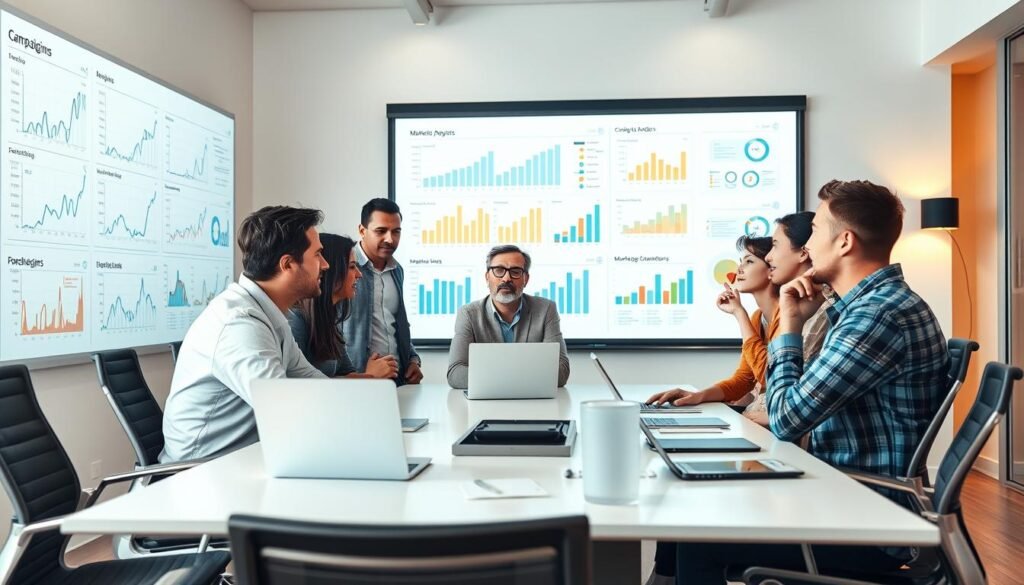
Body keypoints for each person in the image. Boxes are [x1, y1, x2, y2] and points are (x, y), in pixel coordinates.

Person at [673, 180, 949, 583]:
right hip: (841, 495)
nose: (806, 247)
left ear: (845, 242)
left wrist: (790, 325)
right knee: (697, 501)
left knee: (696, 532)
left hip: (863, 522)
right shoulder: (866, 307)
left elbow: (786, 418)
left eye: (816, 231)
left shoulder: (876, 316)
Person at [161, 206, 330, 463]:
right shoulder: (239, 325)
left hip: (241, 460)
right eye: (318, 254)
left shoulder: (269, 314)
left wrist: (356, 410)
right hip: (199, 474)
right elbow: (281, 410)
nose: (326, 264)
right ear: (287, 264)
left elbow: (311, 382)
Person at [646, 236, 779, 410]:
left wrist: (739, 314)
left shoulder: (787, 315)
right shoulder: (757, 318)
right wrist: (697, 396)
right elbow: (743, 380)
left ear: (772, 268)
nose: (739, 269)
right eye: (740, 261)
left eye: (749, 261)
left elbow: (769, 376)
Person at [447, 244, 569, 389]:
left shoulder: (546, 310)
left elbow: (561, 372)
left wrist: (493, 377)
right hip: (486, 406)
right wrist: (524, 377)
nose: (506, 278)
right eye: (499, 270)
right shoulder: (468, 314)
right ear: (487, 277)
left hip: (532, 405)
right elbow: (455, 374)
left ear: (526, 279)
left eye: (515, 271)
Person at [287, 233, 399, 379]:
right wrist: (370, 376)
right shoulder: (296, 320)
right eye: (352, 267)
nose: (359, 275)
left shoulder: (330, 321)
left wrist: (367, 376)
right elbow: (297, 386)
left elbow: (346, 372)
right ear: (331, 271)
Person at [344, 198, 424, 385]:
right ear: (362, 231)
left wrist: (412, 359)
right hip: (357, 381)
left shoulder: (397, 270)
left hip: (397, 380)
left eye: (396, 232)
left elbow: (395, 323)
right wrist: (362, 371)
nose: (390, 239)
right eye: (381, 231)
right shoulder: (344, 268)